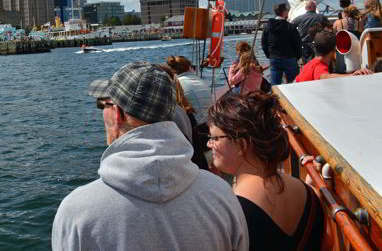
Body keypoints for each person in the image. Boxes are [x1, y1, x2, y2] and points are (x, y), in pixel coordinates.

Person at [52, 62, 248, 251]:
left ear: (118, 114)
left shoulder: (77, 213)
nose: (102, 113)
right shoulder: (221, 195)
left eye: (103, 105)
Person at [208, 92, 325, 250]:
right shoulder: (307, 192)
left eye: (215, 138)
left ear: (242, 145)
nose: (209, 144)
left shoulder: (232, 213)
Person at [296, 30, 372, 82]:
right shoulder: (319, 66)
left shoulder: (312, 63)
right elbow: (324, 77)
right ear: (334, 49)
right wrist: (352, 76)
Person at [261, 3, 302, 85]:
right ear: (284, 12)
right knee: (294, 84)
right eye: (287, 11)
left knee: (275, 85)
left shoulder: (267, 27)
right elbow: (297, 43)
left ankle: (275, 97)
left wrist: (269, 55)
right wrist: (297, 57)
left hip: (274, 59)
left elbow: (263, 43)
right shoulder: (290, 27)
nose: (288, 12)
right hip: (289, 58)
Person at [166, 55, 212, 126]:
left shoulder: (177, 84)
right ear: (189, 67)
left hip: (197, 128)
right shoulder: (199, 80)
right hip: (209, 123)